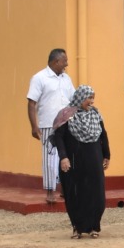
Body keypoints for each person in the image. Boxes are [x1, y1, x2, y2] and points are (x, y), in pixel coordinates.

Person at [50, 85, 109, 239]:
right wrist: (63, 157)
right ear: (80, 98)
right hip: (73, 162)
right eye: (89, 98)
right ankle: (77, 227)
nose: (92, 101)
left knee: (96, 193)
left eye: (92, 98)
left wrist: (106, 155)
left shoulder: (95, 114)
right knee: (75, 193)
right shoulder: (66, 115)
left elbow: (103, 135)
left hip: (94, 160)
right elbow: (59, 137)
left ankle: (94, 226)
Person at [26, 48, 74, 203]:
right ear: (56, 61)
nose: (67, 64)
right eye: (64, 61)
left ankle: (65, 189)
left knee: (66, 155)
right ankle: (49, 191)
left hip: (67, 123)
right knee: (50, 157)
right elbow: (32, 103)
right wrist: (34, 126)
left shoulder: (66, 78)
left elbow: (73, 99)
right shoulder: (39, 78)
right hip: (48, 124)